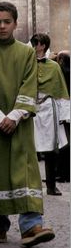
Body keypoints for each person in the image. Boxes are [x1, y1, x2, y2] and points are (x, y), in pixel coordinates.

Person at [0, 2, 55, 248]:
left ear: (15, 23)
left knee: (24, 172)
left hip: (19, 124)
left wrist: (14, 116)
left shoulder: (27, 53)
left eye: (7, 21)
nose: (2, 26)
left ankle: (31, 226)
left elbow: (29, 86)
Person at [30, 34, 70, 195]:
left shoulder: (54, 67)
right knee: (29, 146)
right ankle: (30, 185)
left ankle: (51, 186)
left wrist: (64, 115)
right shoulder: (26, 63)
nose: (33, 46)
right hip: (30, 107)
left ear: (43, 45)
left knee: (51, 148)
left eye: (36, 43)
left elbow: (60, 90)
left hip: (48, 108)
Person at [56, 50, 70, 183]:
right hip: (67, 109)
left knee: (63, 141)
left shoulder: (60, 73)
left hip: (64, 109)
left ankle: (62, 173)